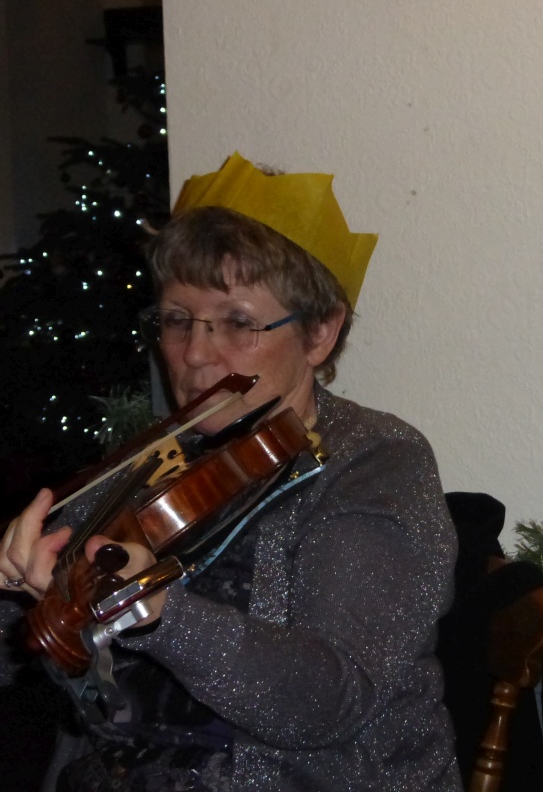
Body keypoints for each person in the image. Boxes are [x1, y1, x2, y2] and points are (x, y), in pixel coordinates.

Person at [0, 152, 461, 791]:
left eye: (238, 322)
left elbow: (330, 701)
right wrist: (14, 587)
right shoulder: (151, 463)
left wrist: (159, 611)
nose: (195, 353)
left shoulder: (375, 459)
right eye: (177, 320)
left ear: (321, 333)